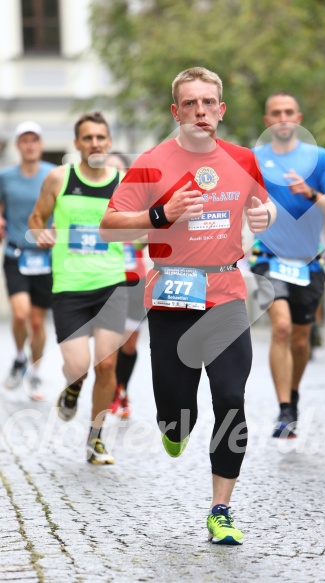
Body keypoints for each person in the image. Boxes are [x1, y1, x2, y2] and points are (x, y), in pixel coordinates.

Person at [100, 66, 276, 545]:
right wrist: (160, 214)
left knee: (232, 398)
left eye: (208, 103)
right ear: (176, 111)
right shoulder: (152, 162)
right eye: (190, 103)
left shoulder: (243, 158)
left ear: (220, 110)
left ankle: (222, 508)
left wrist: (265, 214)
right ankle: (173, 428)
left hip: (225, 296)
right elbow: (109, 224)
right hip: (172, 297)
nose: (200, 111)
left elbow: (263, 206)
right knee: (176, 412)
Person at [28, 112, 127, 465]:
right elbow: (37, 218)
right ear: (77, 144)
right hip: (69, 286)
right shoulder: (59, 178)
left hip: (111, 283)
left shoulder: (123, 183)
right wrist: (41, 232)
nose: (95, 143)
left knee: (106, 365)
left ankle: (96, 438)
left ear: (109, 141)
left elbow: (139, 225)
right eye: (88, 138)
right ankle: (72, 388)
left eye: (101, 137)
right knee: (79, 367)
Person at [250, 92, 325, 439]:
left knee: (302, 340)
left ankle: (293, 396)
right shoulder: (255, 159)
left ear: (299, 118)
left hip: (309, 262)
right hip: (268, 258)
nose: (282, 118)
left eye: (288, 112)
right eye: (275, 112)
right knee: (281, 327)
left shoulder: (318, 158)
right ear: (267, 121)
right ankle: (284, 410)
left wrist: (310, 194)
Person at [0, 121, 56, 399]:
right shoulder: (5, 177)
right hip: (16, 254)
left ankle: (34, 372)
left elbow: (63, 209)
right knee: (20, 314)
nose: (30, 144)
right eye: (25, 140)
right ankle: (20, 356)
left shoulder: (53, 175)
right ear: (18, 145)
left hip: (45, 256)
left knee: (37, 321)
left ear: (41, 144)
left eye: (35, 139)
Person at [106, 152, 147, 418]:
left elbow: (146, 239)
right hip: (107, 279)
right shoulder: (98, 207)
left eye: (118, 172)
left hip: (136, 279)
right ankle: (114, 392)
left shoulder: (138, 204)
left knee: (129, 344)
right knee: (110, 342)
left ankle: (122, 387)